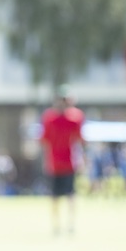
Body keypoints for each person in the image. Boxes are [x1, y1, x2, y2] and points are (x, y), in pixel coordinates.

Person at [39, 89, 85, 234]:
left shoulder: (71, 117)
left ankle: (68, 225)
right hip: (56, 163)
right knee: (57, 196)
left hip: (66, 163)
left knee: (67, 195)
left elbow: (78, 139)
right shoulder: (52, 118)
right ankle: (58, 225)